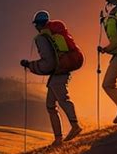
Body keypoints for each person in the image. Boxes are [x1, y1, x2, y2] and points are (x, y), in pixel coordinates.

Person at [21, 10, 82, 146]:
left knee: (62, 100)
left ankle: (75, 126)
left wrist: (30, 65)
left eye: (36, 25)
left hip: (58, 73)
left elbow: (48, 63)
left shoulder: (42, 38)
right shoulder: (53, 34)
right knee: (50, 105)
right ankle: (58, 138)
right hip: (62, 70)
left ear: (38, 24)